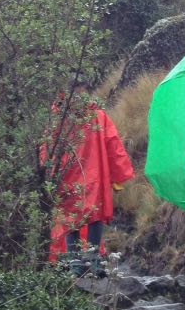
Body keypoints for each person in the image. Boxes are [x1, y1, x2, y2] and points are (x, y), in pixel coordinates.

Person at [49, 99, 135, 275]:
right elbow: (113, 144)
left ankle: (75, 264)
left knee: (70, 216)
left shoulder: (59, 118)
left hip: (67, 175)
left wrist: (48, 176)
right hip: (95, 174)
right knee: (95, 213)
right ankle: (94, 260)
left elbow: (48, 147)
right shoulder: (98, 116)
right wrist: (118, 174)